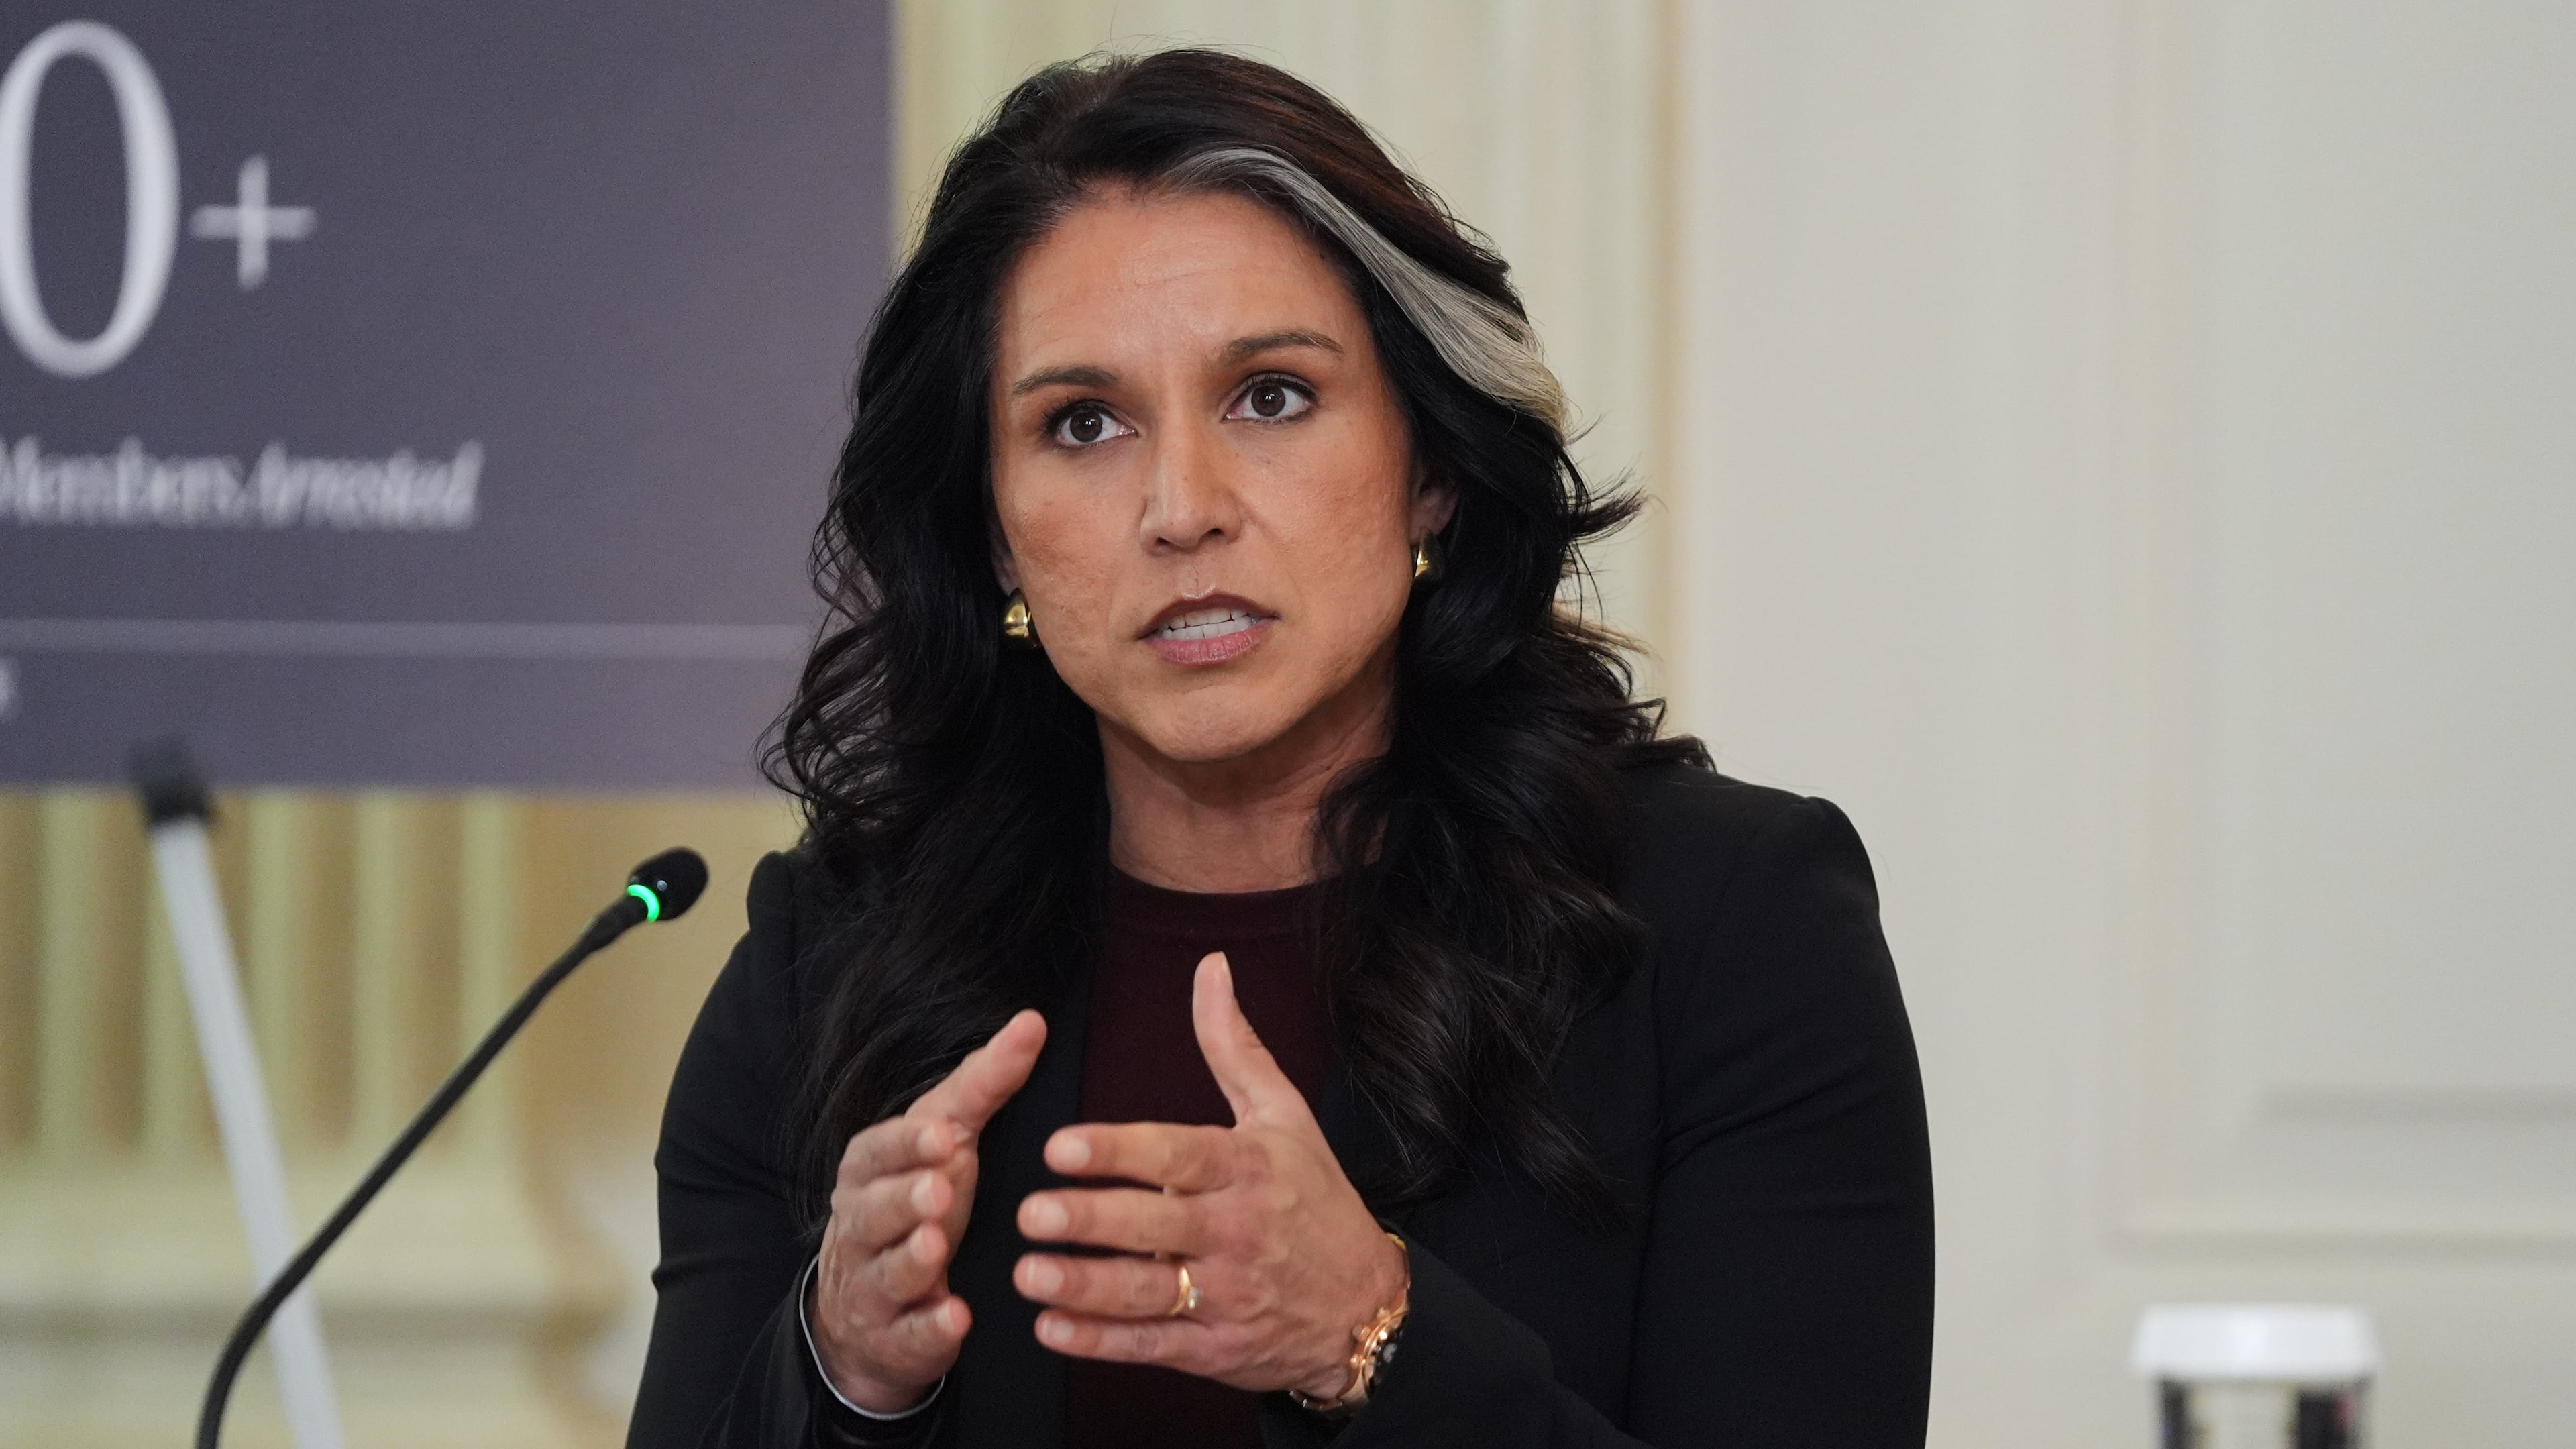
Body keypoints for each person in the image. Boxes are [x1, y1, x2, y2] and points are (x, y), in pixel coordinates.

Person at [627, 48, 1931, 1449]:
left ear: (1431, 467)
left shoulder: (1728, 927)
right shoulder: (829, 961)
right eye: (1084, 424)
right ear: (994, 530)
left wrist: (1371, 1335)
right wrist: (840, 1377)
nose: (1183, 508)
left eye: (1270, 398)